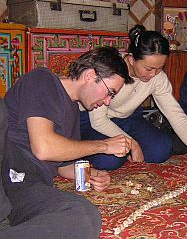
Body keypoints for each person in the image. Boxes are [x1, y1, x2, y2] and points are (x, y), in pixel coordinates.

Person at [0, 47, 133, 238]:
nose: (107, 102)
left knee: (84, 217)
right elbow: (44, 148)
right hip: (8, 171)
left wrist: (91, 174)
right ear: (89, 75)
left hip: (28, 184)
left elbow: (63, 166)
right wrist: (104, 145)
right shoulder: (42, 80)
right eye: (109, 92)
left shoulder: (72, 109)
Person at [80, 25, 187, 179]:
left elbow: (176, 115)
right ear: (131, 59)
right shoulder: (110, 70)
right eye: (149, 68)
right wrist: (132, 143)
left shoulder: (157, 77)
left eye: (160, 68)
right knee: (109, 160)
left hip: (128, 118)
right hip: (92, 120)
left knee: (161, 149)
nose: (154, 74)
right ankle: (98, 148)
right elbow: (98, 120)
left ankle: (123, 149)